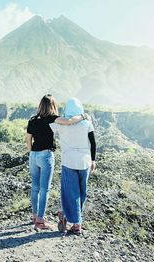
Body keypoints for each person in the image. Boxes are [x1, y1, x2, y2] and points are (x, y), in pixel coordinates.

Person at [26, 94, 86, 230]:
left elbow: (28, 139)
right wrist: (82, 117)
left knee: (35, 188)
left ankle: (35, 216)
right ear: (53, 106)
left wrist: (32, 152)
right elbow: (70, 121)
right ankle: (40, 221)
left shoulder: (32, 120)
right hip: (46, 155)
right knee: (44, 189)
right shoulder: (52, 119)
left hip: (33, 156)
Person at [50, 97, 96, 235]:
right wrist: (93, 160)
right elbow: (93, 143)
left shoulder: (61, 124)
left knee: (70, 193)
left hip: (69, 162)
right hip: (85, 162)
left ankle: (73, 221)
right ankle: (75, 221)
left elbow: (48, 130)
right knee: (82, 193)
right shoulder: (87, 123)